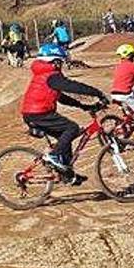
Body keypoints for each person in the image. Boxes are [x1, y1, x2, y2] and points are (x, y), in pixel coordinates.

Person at [20, 43, 108, 180]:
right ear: (54, 62)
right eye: (60, 62)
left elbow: (61, 97)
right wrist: (97, 93)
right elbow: (72, 86)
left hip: (35, 113)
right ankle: (53, 156)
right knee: (72, 128)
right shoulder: (51, 76)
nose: (61, 65)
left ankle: (67, 174)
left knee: (65, 138)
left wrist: (83, 106)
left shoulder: (45, 75)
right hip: (39, 113)